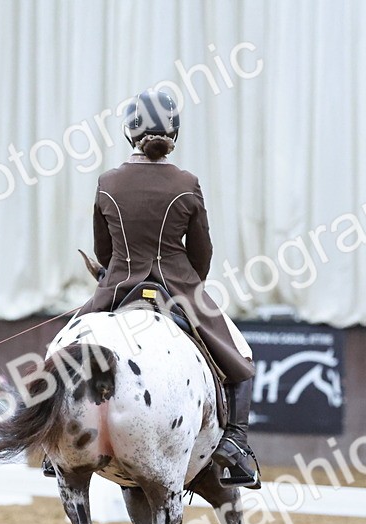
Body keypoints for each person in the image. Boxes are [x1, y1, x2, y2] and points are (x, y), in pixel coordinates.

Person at [45, 89, 260, 488]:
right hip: (177, 285)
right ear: (174, 131)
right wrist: (191, 281)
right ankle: (236, 447)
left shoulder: (108, 181)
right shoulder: (186, 182)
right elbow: (202, 250)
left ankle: (54, 442)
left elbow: (102, 249)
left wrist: (114, 273)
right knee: (241, 359)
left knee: (61, 349)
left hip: (117, 285)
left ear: (129, 131)